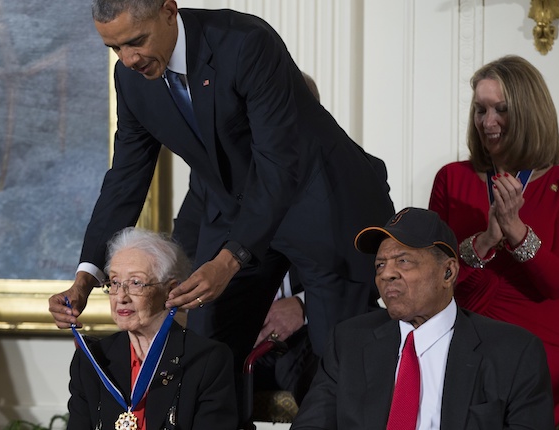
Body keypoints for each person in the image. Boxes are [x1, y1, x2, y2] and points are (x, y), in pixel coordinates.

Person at [49, 1, 394, 417]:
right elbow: (125, 177)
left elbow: (279, 163)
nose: (128, 59)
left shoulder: (246, 42)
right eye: (115, 48)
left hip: (320, 205)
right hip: (241, 211)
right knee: (206, 355)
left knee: (338, 365)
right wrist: (87, 275)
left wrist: (230, 259)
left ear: (168, 11)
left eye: (136, 41)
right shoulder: (132, 78)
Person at [292, 207, 554, 429]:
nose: (386, 274)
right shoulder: (348, 341)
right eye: (380, 265)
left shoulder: (513, 352)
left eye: (403, 261)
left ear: (448, 273)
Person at [428, 54, 559, 424]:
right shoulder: (451, 179)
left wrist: (517, 231)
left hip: (540, 336)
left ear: (528, 112)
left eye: (500, 110)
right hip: (463, 325)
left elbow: (557, 285)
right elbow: (433, 275)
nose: (487, 123)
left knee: (505, 377)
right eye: (480, 110)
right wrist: (486, 240)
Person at [67, 227, 237, 430]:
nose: (121, 297)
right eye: (114, 282)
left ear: (170, 290)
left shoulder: (206, 360)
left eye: (136, 283)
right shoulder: (91, 360)